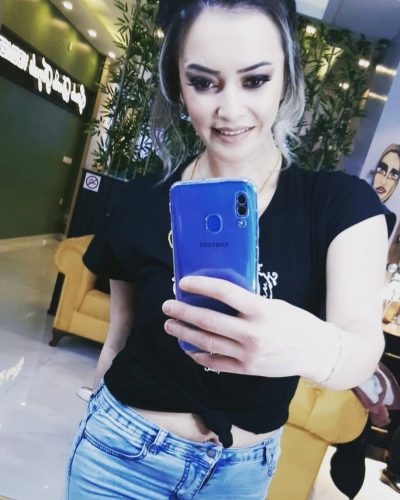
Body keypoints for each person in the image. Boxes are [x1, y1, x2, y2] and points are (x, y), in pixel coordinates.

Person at [65, 1, 395, 498]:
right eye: (203, 82)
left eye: (255, 80)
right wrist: (95, 407)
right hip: (120, 455)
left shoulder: (339, 205)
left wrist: (307, 347)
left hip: (240, 476)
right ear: (178, 86)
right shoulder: (142, 201)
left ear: (286, 79)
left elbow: (362, 346)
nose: (231, 110)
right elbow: (119, 339)